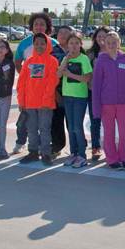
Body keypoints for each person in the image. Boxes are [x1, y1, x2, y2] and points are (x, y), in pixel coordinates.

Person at [12, 12, 59, 155]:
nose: (39, 26)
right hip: (30, 95)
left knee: (45, 125)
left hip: (47, 95)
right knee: (26, 123)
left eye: (42, 24)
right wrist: (26, 80)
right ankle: (23, 144)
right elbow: (18, 61)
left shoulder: (53, 44)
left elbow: (56, 70)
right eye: (36, 24)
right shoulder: (25, 44)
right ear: (32, 26)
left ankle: (44, 149)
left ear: (47, 27)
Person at [91, 31, 125, 169]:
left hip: (122, 103)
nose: (111, 45)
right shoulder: (101, 61)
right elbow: (97, 85)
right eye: (108, 42)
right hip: (106, 104)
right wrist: (96, 108)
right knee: (109, 132)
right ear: (104, 43)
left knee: (124, 132)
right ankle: (112, 159)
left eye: (114, 42)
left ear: (119, 43)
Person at [57, 33, 93, 169]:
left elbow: (87, 78)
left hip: (79, 97)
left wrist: (71, 74)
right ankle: (73, 153)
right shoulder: (65, 58)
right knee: (70, 127)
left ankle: (82, 156)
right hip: (67, 96)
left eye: (76, 43)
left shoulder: (84, 59)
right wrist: (66, 60)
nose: (73, 46)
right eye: (70, 43)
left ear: (80, 45)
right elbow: (59, 74)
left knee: (77, 127)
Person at [85, 26, 110, 161]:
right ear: (95, 38)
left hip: (109, 94)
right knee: (95, 121)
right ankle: (95, 147)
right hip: (93, 92)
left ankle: (109, 147)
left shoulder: (114, 52)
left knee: (108, 122)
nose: (102, 39)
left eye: (104, 36)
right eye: (99, 36)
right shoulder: (90, 54)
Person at [49, 25, 72, 158]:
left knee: (73, 123)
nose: (63, 35)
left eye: (66, 33)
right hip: (57, 92)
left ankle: (76, 148)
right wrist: (54, 92)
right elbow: (50, 75)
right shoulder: (52, 52)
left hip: (74, 93)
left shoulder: (77, 50)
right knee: (56, 122)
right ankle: (57, 146)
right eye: (60, 33)